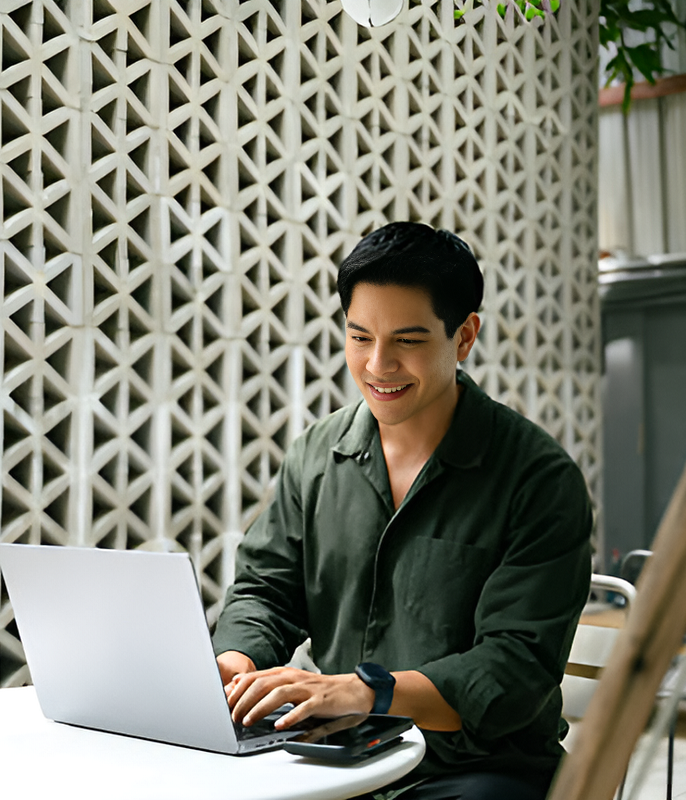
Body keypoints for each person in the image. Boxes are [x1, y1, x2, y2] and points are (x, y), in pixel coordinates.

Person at [210, 222, 593, 800]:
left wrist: (368, 692)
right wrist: (236, 662)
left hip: (475, 770)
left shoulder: (537, 479)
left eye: (407, 341)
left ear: (464, 337)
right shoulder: (316, 455)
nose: (377, 364)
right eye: (359, 337)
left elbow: (514, 668)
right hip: (336, 757)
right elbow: (265, 589)